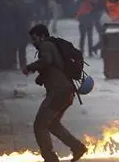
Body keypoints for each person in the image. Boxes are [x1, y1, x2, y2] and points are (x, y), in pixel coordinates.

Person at [22, 24, 87, 162]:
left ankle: (50, 158)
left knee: (40, 125)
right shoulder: (51, 45)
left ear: (43, 36)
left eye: (35, 39)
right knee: (52, 124)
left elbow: (47, 61)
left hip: (59, 92)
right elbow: (51, 64)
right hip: (66, 92)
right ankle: (77, 147)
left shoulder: (46, 45)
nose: (33, 43)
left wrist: (30, 67)